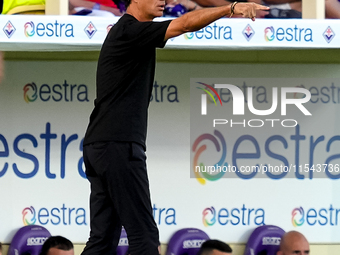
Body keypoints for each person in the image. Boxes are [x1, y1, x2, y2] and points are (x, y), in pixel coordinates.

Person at [81, 1, 269, 255]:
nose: (165, 0)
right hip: (118, 144)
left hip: (99, 145)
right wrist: (230, 8)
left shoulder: (129, 33)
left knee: (102, 240)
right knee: (144, 238)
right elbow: (185, 24)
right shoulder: (129, 30)